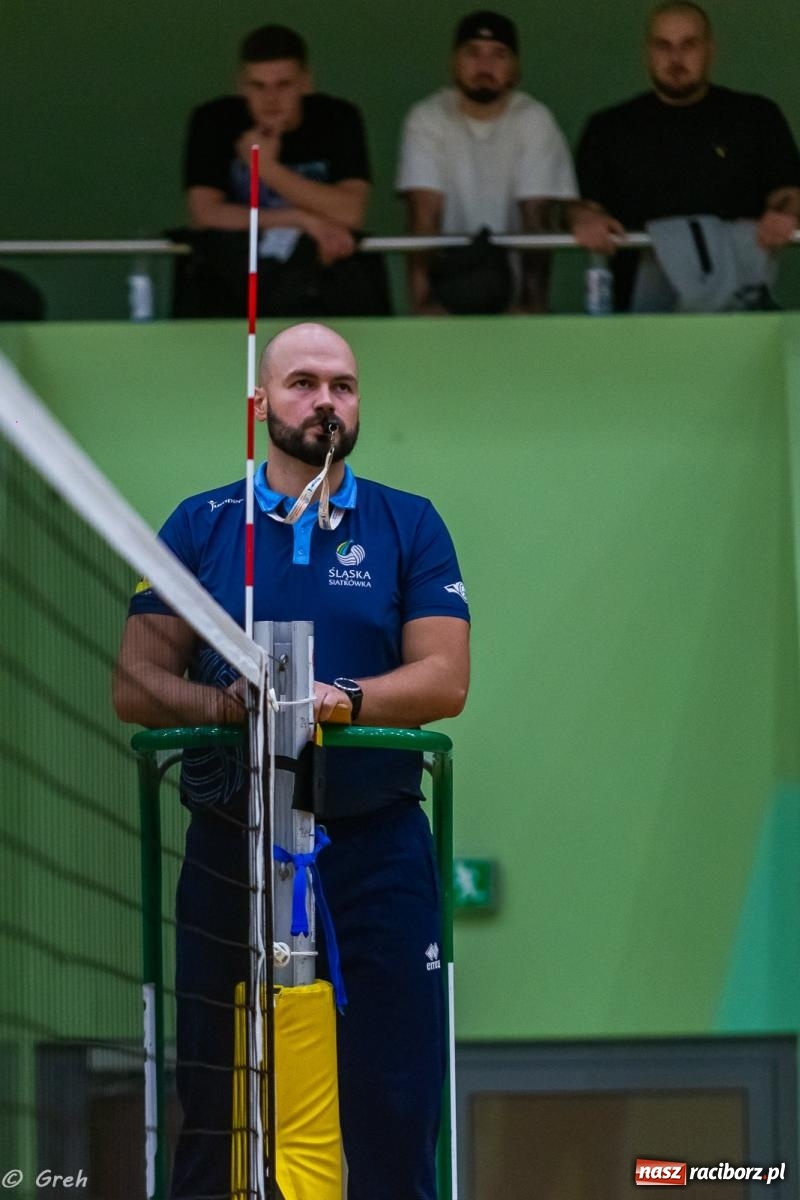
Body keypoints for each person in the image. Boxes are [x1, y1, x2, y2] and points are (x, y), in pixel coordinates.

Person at [113, 322, 471, 1200]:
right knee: (216, 1100)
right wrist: (228, 708)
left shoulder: (407, 523)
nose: (326, 402)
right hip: (231, 846)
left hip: (376, 846)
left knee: (395, 1104)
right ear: (261, 403)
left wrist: (344, 701)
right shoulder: (201, 526)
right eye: (304, 383)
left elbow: (445, 678)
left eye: (342, 386)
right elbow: (136, 683)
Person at [575, 2, 800, 311]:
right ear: (647, 53)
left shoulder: (757, 117)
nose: (676, 58)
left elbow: (788, 192)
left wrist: (785, 214)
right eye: (663, 46)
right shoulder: (608, 128)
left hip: (740, 311)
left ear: (710, 49)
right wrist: (586, 219)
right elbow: (583, 207)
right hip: (636, 319)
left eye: (689, 45)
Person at [395, 9, 608, 314]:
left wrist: (532, 308)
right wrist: (423, 306)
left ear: (515, 69)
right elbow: (423, 215)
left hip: (512, 296)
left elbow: (536, 219)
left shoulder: (534, 120)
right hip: (448, 291)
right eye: (472, 53)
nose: (485, 65)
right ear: (453, 63)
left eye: (499, 55)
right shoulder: (428, 117)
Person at [177, 25, 390, 317]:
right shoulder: (213, 121)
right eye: (258, 86)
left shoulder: (338, 118)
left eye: (284, 85)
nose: (271, 98)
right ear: (241, 85)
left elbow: (351, 211)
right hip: (232, 288)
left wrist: (266, 168)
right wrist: (300, 219)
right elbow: (205, 214)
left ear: (306, 82)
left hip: (321, 289)